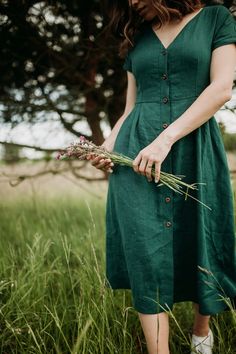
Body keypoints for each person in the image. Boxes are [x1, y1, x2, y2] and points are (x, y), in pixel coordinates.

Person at [87, 1, 236, 353]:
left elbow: (221, 89)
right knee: (144, 249)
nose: (132, 2)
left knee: (202, 234)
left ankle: (201, 331)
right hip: (136, 154)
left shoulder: (216, 18)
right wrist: (107, 146)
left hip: (193, 147)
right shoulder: (136, 33)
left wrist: (166, 139)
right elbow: (130, 108)